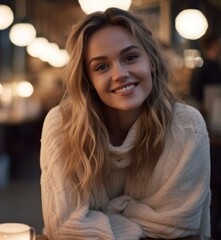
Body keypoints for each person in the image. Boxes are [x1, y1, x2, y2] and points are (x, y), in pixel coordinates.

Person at [40, 8, 211, 240]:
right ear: (88, 80)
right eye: (101, 67)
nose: (119, 74)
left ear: (151, 61)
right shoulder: (62, 125)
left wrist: (109, 211)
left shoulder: (186, 126)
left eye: (130, 57)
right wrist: (138, 215)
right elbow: (64, 227)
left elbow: (180, 225)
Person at [189, 34, 221, 110]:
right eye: (219, 44)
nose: (220, 47)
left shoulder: (202, 66)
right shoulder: (211, 66)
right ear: (213, 45)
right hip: (208, 108)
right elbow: (217, 88)